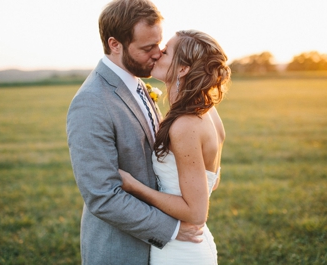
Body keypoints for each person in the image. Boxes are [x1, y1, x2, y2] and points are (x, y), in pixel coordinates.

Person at [66, 0, 203, 263]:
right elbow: (103, 196)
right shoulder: (91, 102)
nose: (158, 53)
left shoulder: (137, 80)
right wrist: (172, 229)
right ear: (115, 44)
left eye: (159, 44)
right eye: (147, 47)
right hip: (121, 250)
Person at [117, 29, 229, 264]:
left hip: (180, 251)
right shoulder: (209, 112)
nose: (157, 54)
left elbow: (196, 212)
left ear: (183, 68)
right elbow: (211, 182)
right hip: (194, 245)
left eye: (166, 51)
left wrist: (134, 186)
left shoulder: (185, 125)